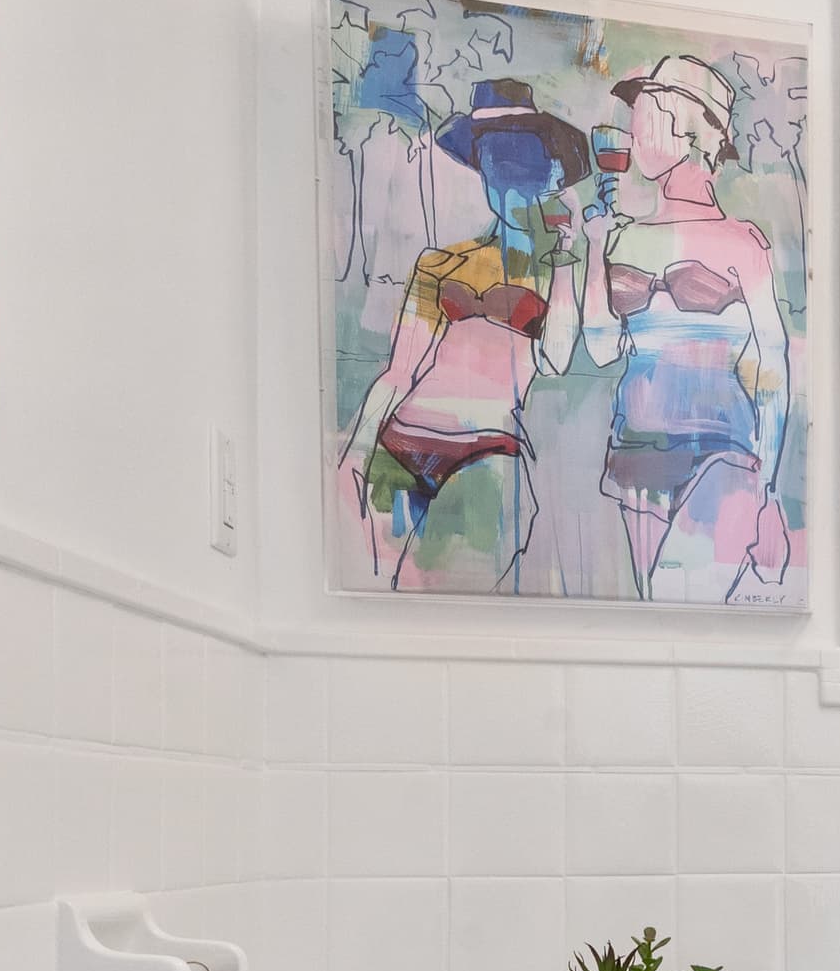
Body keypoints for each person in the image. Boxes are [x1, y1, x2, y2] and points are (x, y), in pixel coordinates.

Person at [333, 79, 591, 590]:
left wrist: (566, 255)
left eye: (521, 163)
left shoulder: (554, 274)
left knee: (440, 587)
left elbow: (558, 357)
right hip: (400, 445)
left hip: (487, 454)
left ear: (550, 177)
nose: (506, 181)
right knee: (378, 590)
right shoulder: (440, 263)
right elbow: (399, 371)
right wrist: (357, 455)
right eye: (493, 164)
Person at [584, 51, 797, 600]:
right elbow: (605, 352)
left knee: (679, 597)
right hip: (635, 449)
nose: (632, 132)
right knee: (660, 614)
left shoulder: (742, 242)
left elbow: (773, 367)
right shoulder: (623, 236)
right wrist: (591, 251)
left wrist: (768, 488)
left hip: (724, 452)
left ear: (688, 129)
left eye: (646, 114)